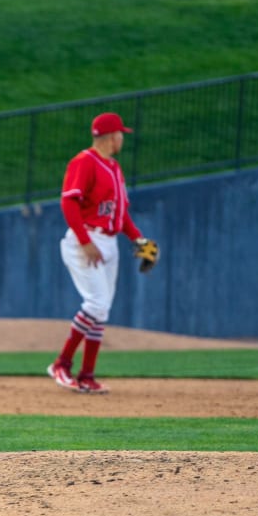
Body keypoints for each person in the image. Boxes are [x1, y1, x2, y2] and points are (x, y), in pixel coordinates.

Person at [47, 113, 159, 395]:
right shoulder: (84, 162)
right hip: (85, 239)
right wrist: (84, 241)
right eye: (121, 134)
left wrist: (139, 240)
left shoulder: (114, 167)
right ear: (111, 137)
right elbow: (69, 203)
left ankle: (87, 375)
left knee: (102, 310)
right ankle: (61, 364)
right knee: (96, 304)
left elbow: (120, 216)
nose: (123, 138)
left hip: (108, 242)